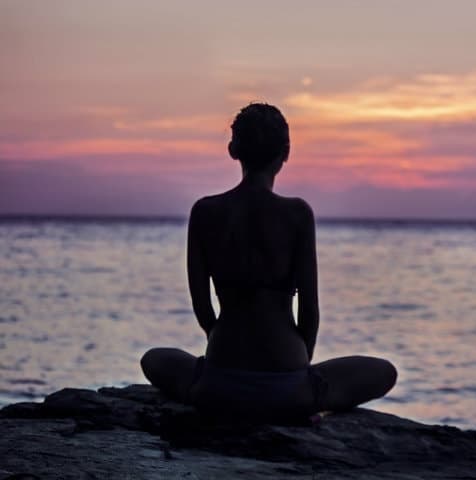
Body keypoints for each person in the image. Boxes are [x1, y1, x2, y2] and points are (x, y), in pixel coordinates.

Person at [140, 103, 397, 423]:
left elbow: (201, 304)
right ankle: (300, 398)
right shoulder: (297, 213)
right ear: (285, 153)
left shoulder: (205, 211)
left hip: (218, 384)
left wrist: (220, 341)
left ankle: (216, 391)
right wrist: (301, 369)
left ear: (233, 149)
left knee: (155, 359)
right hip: (288, 385)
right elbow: (309, 310)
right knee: (383, 372)